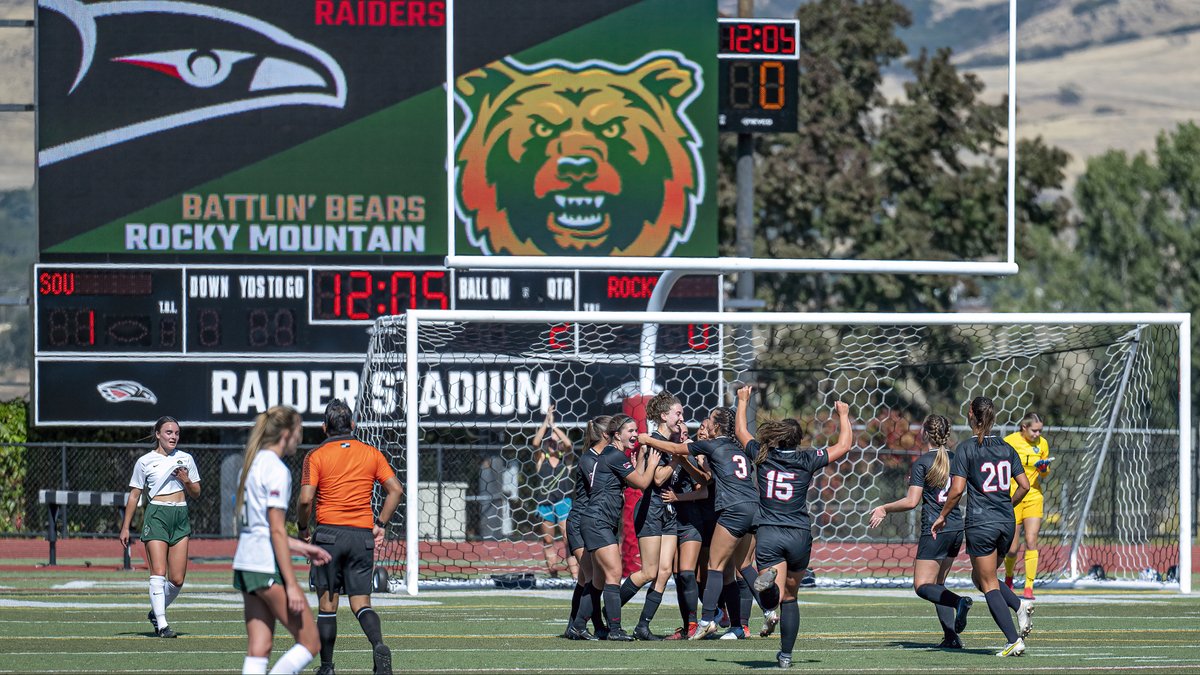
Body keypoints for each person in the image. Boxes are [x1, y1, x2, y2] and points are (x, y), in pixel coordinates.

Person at [737, 388, 853, 669]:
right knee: (790, 597)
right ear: (798, 441)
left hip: (769, 532)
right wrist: (843, 415)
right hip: (799, 533)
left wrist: (742, 401)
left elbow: (741, 431)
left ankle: (768, 590)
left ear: (776, 437)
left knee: (772, 596)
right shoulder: (807, 459)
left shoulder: (763, 455)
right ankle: (786, 656)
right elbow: (844, 446)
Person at [296, 399, 404, 675]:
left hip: (329, 536)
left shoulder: (315, 456)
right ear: (353, 425)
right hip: (361, 537)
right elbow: (395, 490)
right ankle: (378, 644)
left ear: (324, 427)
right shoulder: (371, 453)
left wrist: (302, 529)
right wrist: (380, 523)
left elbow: (306, 499)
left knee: (327, 606)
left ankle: (327, 667)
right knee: (361, 603)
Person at [639, 404, 759, 641]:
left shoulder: (711, 448)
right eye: (699, 427)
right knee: (697, 573)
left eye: (707, 424)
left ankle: (728, 621)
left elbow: (704, 482)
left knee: (725, 570)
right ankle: (712, 620)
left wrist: (650, 441)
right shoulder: (715, 448)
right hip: (707, 515)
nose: (702, 429)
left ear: (716, 427)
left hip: (723, 514)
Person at [232, 405, 332, 674]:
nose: (300, 437)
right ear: (286, 434)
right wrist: (292, 585)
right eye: (299, 431)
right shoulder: (276, 469)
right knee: (310, 642)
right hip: (264, 565)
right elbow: (275, 530)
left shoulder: (250, 465)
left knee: (259, 648)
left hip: (245, 563)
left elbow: (261, 528)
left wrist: (301, 546)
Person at [932, 396, 1034, 657]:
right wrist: (1006, 505)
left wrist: (943, 515)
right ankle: (1019, 605)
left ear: (970, 414)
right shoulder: (1006, 447)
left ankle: (1013, 640)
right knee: (980, 578)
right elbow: (1024, 485)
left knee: (987, 583)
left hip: (982, 523)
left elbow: (956, 490)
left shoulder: (967, 448)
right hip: (1006, 522)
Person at [869, 414, 973, 648]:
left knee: (922, 586)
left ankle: (959, 602)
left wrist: (884, 508)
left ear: (925, 434)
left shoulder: (923, 462)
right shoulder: (958, 459)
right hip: (956, 528)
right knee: (938, 585)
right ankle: (951, 638)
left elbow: (911, 501)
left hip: (935, 530)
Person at [567, 414, 661, 641]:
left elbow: (633, 481)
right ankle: (615, 630)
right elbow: (642, 482)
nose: (635, 434)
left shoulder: (611, 455)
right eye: (630, 431)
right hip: (597, 521)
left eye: (636, 430)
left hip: (599, 521)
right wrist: (652, 464)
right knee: (613, 573)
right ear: (616, 435)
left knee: (598, 579)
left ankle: (578, 626)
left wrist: (640, 460)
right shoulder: (614, 455)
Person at [119, 416, 201, 639]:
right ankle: (163, 624)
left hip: (180, 514)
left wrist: (186, 479)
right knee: (158, 572)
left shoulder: (186, 458)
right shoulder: (144, 461)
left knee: (177, 579)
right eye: (168, 432)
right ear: (157, 434)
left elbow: (196, 492)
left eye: (176, 433)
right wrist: (125, 526)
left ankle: (155, 612)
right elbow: (134, 495)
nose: (173, 436)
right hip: (157, 515)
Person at [619, 391, 683, 640]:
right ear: (664, 416)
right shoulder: (653, 442)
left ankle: (642, 626)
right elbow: (657, 478)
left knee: (665, 571)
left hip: (668, 511)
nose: (681, 418)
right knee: (649, 571)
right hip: (650, 510)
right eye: (678, 413)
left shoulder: (670, 443)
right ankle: (609, 610)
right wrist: (677, 458)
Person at [563, 415, 611, 638]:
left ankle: (578, 625)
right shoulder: (589, 459)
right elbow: (599, 489)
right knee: (593, 576)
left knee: (586, 578)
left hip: (593, 521)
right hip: (581, 521)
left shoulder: (604, 457)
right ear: (605, 435)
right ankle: (582, 625)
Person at [1003, 412, 1052, 599]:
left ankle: (1029, 586)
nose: (1038, 434)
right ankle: (1009, 577)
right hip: (1013, 497)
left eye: (1040, 431)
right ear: (1024, 427)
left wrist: (1043, 469)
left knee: (1031, 541)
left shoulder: (1043, 444)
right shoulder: (1009, 441)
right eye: (1034, 430)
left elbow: (1045, 473)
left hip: (1033, 497)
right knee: (1012, 548)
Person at [531, 405, 577, 579]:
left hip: (563, 503)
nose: (552, 443)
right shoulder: (541, 459)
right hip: (545, 504)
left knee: (568, 539)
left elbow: (569, 445)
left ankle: (574, 576)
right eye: (550, 441)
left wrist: (554, 427)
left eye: (555, 441)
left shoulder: (566, 460)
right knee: (548, 540)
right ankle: (553, 575)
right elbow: (535, 443)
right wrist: (546, 422)